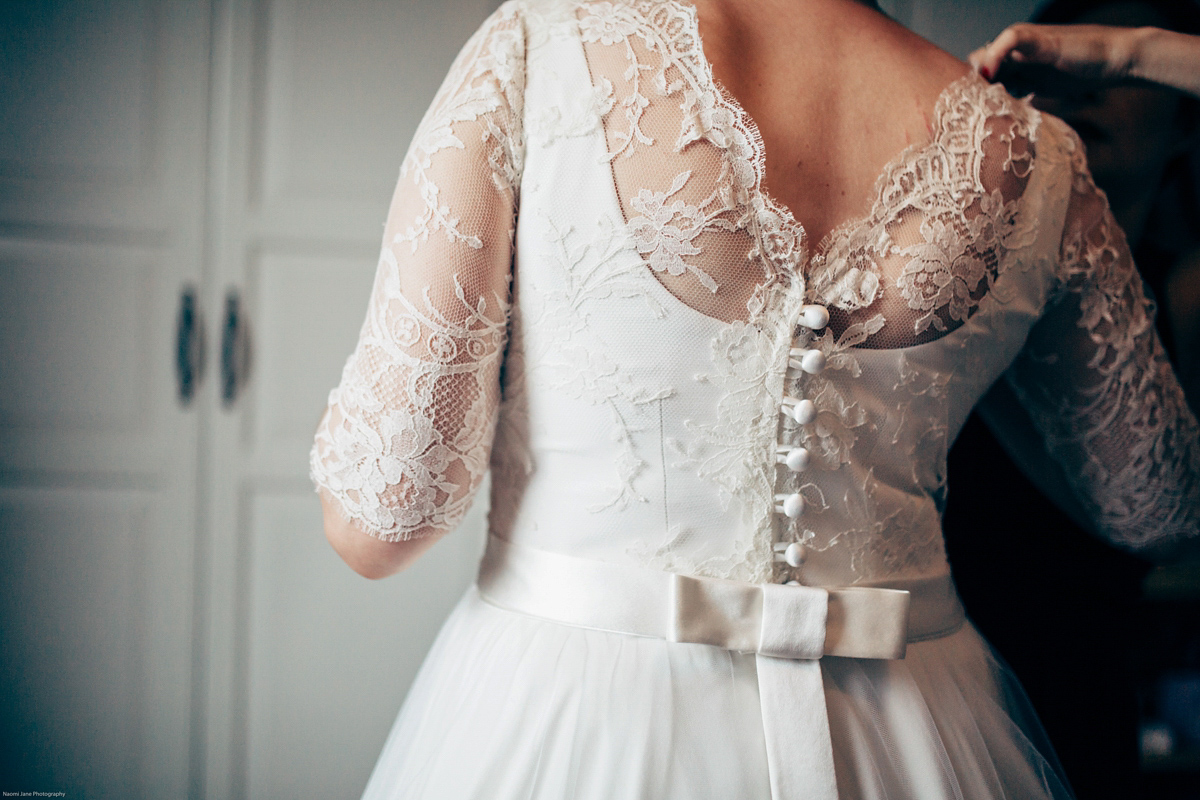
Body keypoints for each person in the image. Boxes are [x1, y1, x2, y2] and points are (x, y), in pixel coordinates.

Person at [310, 0, 1200, 797]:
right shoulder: (1042, 161)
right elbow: (1161, 505)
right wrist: (1156, 55)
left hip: (570, 709)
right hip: (912, 733)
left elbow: (384, 519)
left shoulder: (540, 47)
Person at [942, 3, 1200, 797]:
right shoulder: (953, 256)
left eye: (1117, 79)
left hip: (1075, 655)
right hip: (938, 648)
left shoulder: (1186, 286)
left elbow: (1174, 520)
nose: (1077, 92)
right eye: (1047, 76)